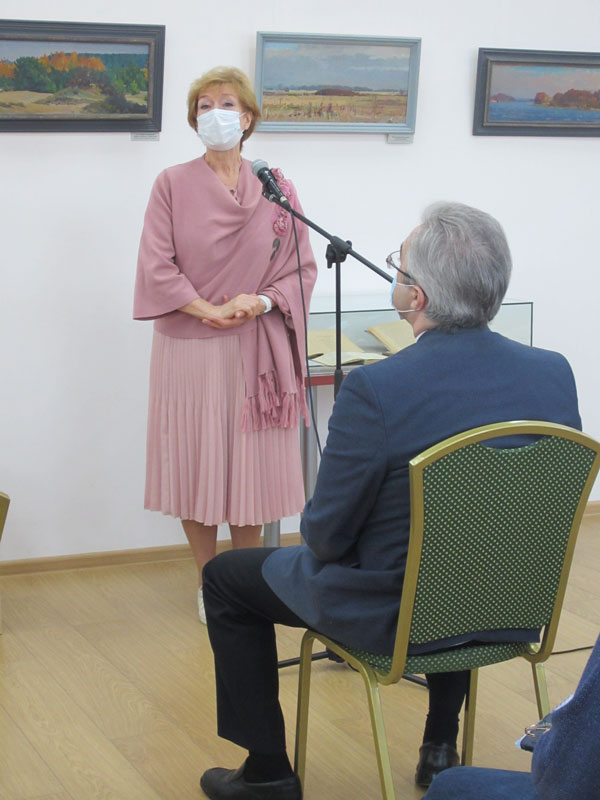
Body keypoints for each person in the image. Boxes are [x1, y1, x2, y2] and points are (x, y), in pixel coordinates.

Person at [199, 202, 581, 800]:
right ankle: (440, 744)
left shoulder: (377, 387)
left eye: (399, 267)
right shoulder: (553, 372)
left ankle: (267, 772)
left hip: (394, 617)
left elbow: (326, 538)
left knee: (225, 578)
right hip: (515, 603)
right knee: (463, 548)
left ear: (417, 296)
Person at [133, 67, 317, 623]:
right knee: (197, 465)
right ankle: (209, 582)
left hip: (255, 347)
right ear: (194, 120)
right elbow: (156, 265)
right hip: (190, 349)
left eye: (228, 103)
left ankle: (248, 583)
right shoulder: (171, 183)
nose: (216, 113)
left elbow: (301, 268)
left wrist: (259, 302)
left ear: (249, 118)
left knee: (249, 471)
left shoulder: (276, 188)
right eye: (205, 105)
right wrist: (207, 308)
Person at [424, 632, 600, 800]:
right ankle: (440, 746)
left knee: (447, 785)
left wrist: (548, 742)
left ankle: (437, 743)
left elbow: (566, 778)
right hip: (515, 626)